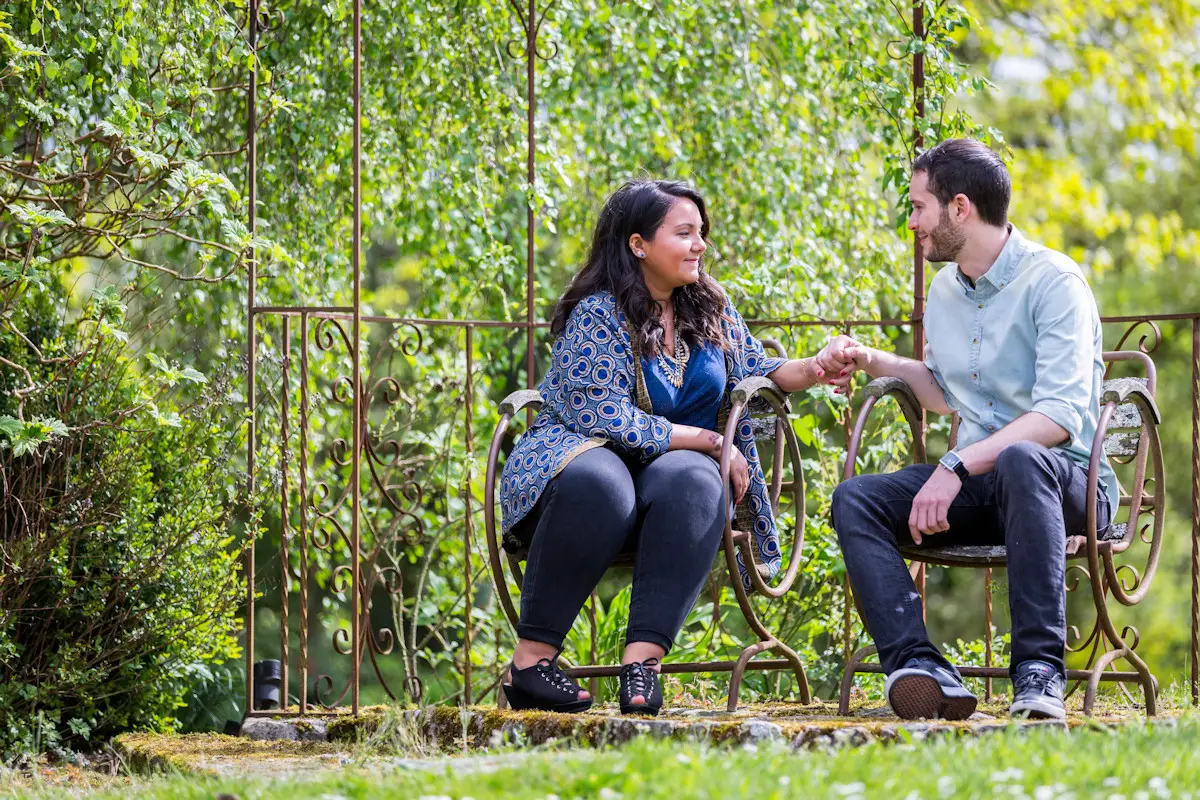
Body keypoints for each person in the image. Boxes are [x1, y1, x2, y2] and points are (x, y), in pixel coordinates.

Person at [498, 179, 832, 715]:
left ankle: (642, 667)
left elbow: (759, 371)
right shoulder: (598, 314)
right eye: (684, 232)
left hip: (670, 486)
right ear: (638, 245)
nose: (700, 244)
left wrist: (816, 367)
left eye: (701, 232)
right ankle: (530, 665)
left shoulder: (710, 308)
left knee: (698, 478)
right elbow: (598, 413)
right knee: (603, 481)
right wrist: (705, 439)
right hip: (582, 472)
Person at [821, 138, 1118, 721]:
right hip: (986, 487)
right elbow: (946, 392)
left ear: (960, 208)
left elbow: (1057, 419)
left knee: (1021, 459)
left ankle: (1038, 673)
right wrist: (874, 359)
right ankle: (919, 663)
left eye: (917, 207)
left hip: (1072, 485)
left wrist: (954, 466)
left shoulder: (1055, 283)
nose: (911, 223)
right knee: (857, 499)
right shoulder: (946, 289)